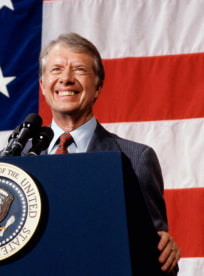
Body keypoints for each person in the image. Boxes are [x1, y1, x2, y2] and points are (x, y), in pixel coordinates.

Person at [29, 32, 180, 273]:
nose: (66, 79)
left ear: (98, 87)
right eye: (56, 69)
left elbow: (158, 255)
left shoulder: (136, 159)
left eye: (79, 70)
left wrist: (163, 252)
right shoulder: (16, 158)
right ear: (43, 86)